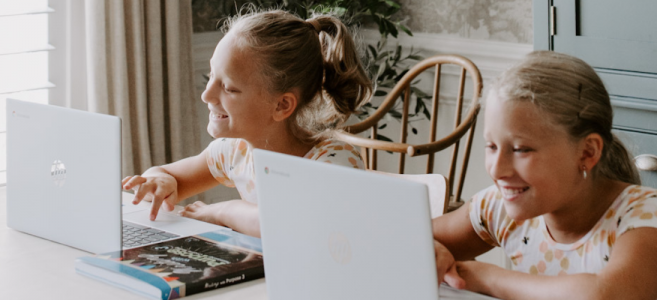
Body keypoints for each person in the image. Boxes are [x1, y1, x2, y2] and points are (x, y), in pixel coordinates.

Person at [121, 9, 371, 238]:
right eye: (211, 76)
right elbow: (166, 175)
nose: (206, 95)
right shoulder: (234, 151)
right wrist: (160, 181)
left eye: (228, 88)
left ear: (282, 105)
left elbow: (287, 223)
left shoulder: (333, 162)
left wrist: (224, 211)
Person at [432, 51, 657, 299]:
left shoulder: (645, 217)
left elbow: (603, 295)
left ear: (587, 152)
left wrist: (486, 277)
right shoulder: (499, 207)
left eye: (521, 149)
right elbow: (401, 236)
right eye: (492, 146)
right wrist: (430, 249)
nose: (497, 169)